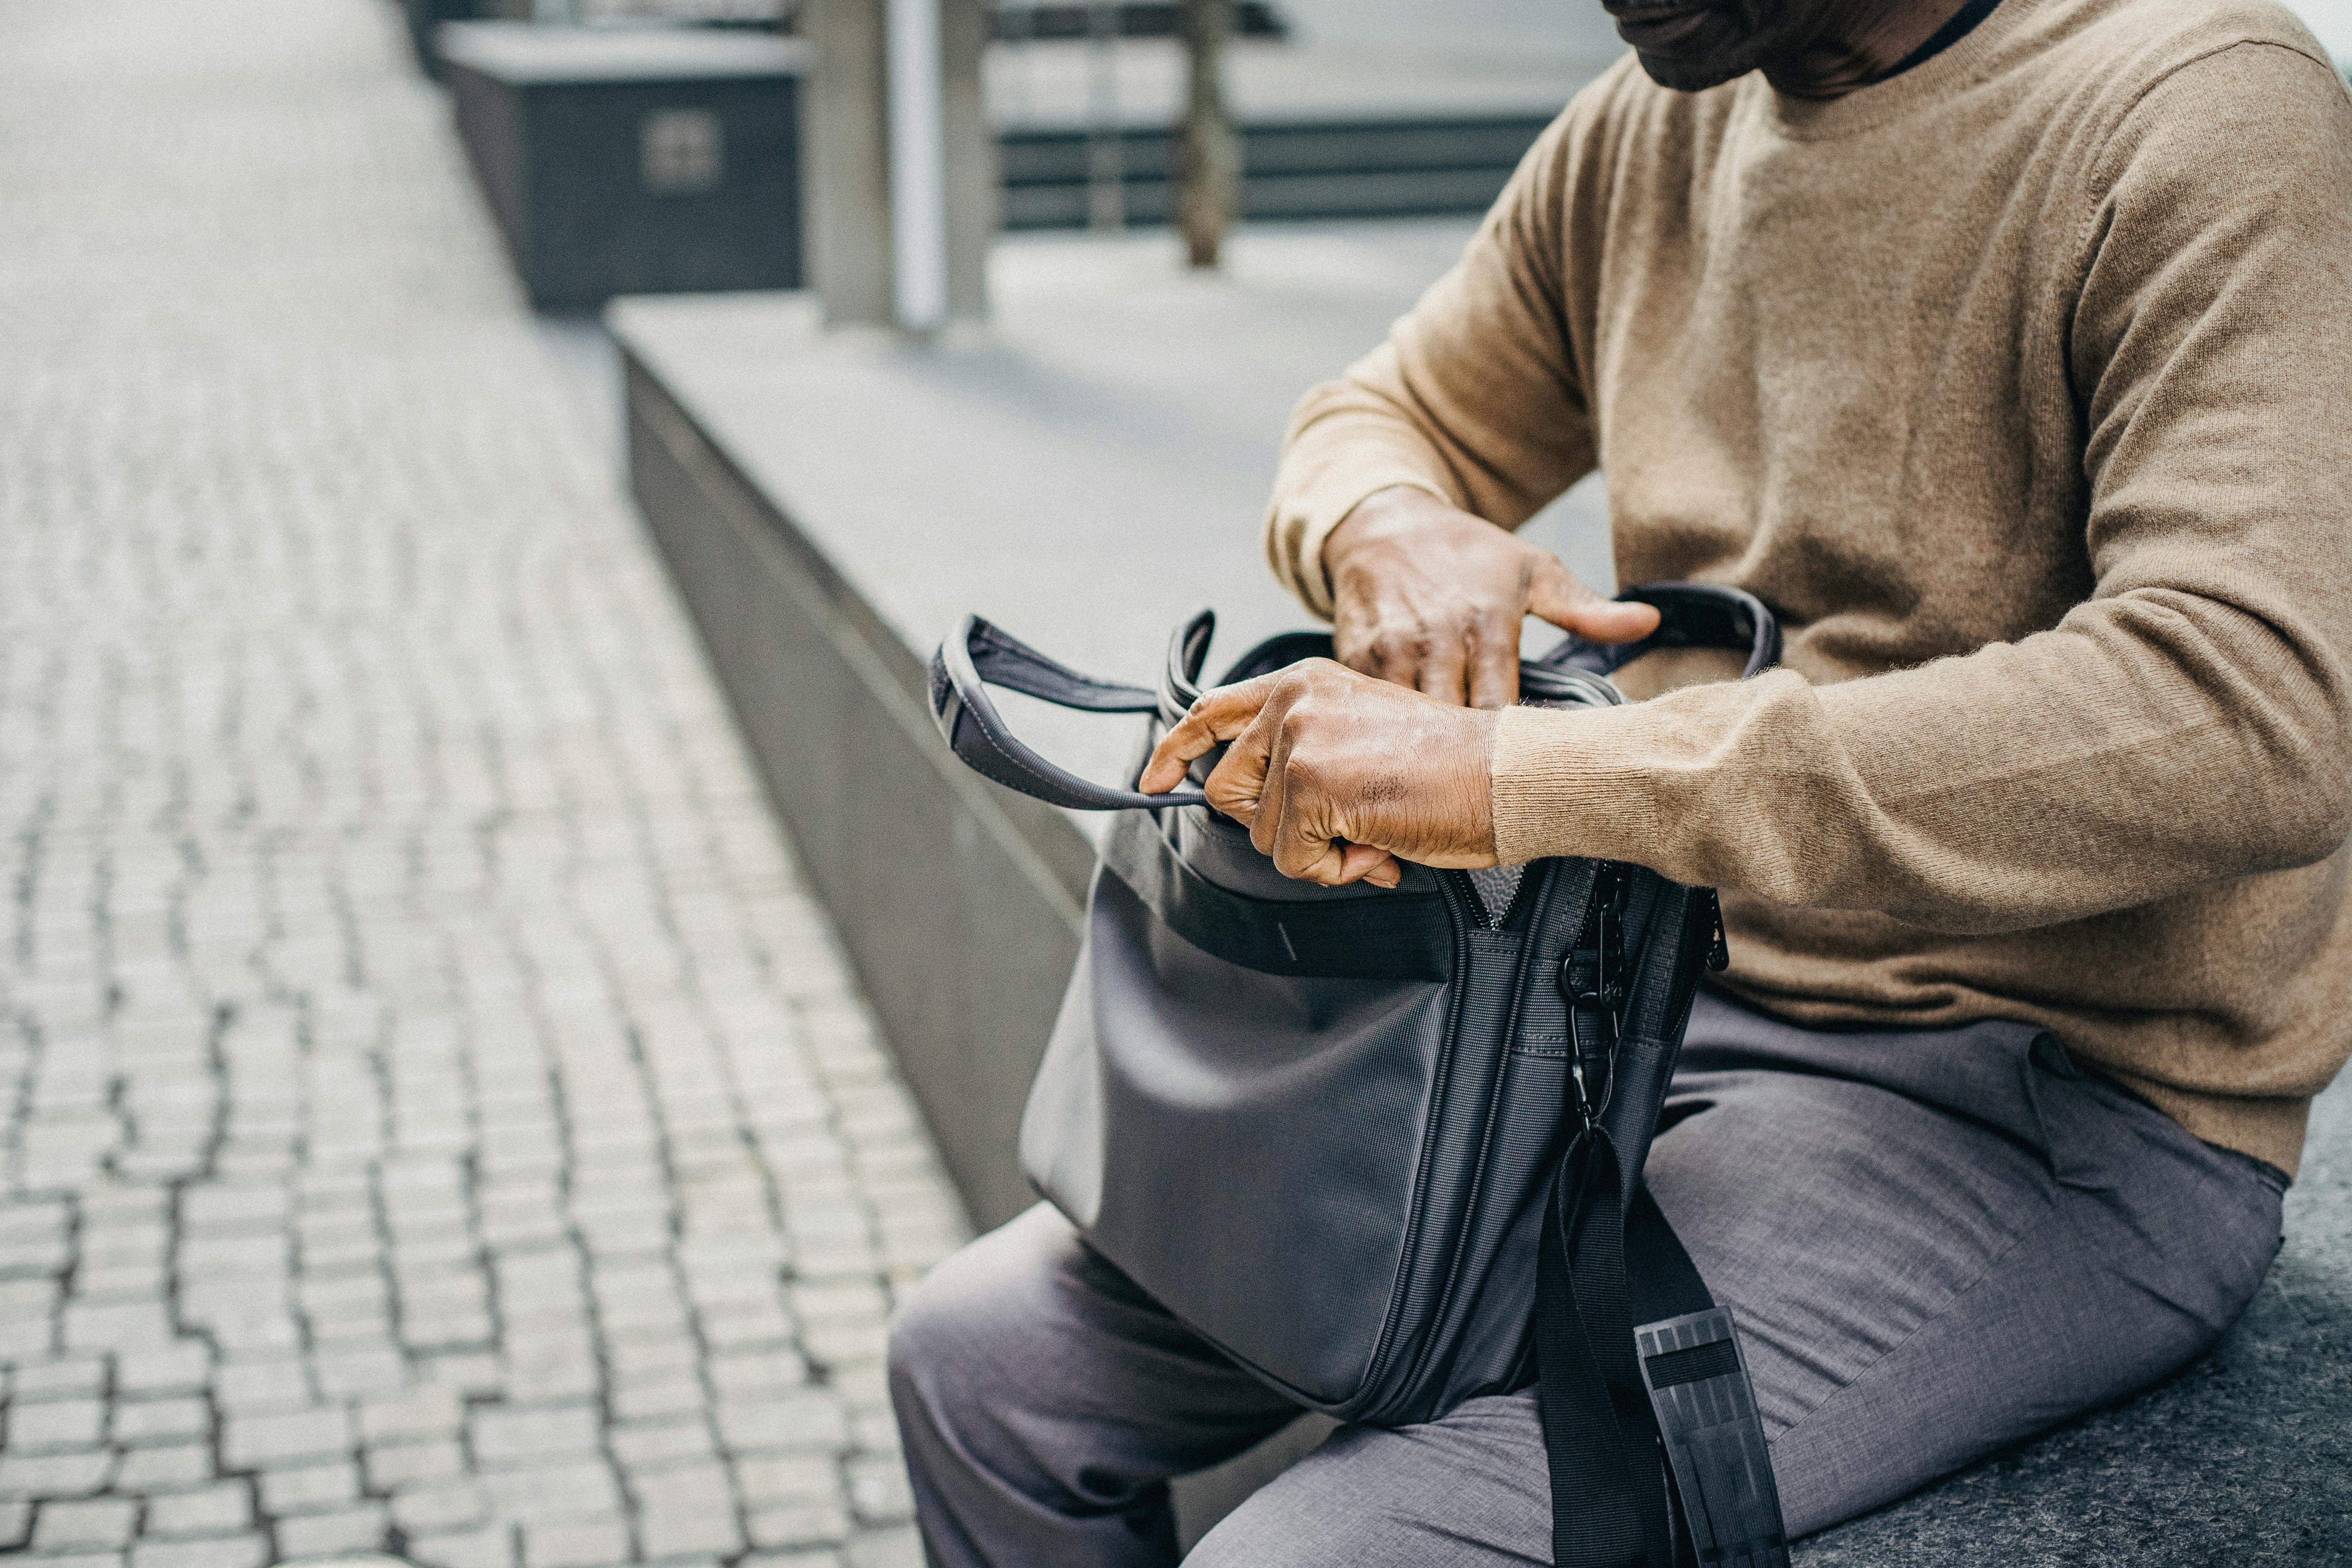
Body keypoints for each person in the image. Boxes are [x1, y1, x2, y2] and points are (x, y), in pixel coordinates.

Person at [887, 0, 2352, 1557]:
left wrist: (1526, 773)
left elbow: (2251, 707)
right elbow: (1377, 419)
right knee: (982, 1373)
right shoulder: (1654, 123)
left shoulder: (2203, 109)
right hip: (1621, 1012)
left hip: (2042, 1103)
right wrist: (1388, 525)